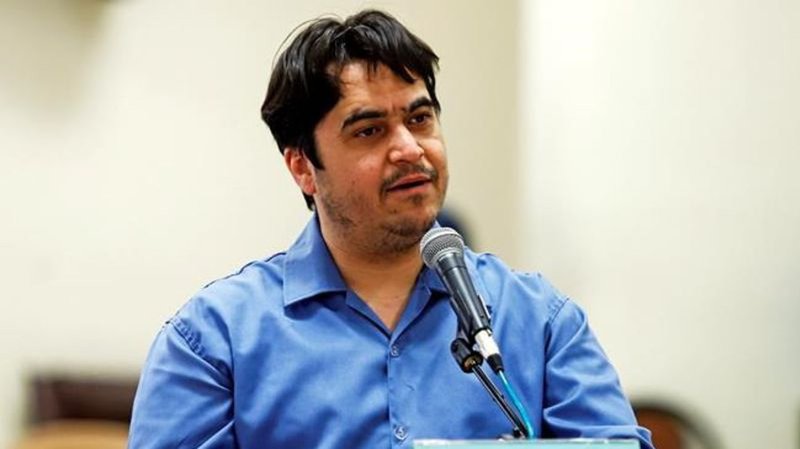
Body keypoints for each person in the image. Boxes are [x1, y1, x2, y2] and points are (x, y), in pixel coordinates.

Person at [129, 9, 654, 449]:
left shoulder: (540, 322)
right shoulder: (213, 341)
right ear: (303, 167)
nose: (408, 148)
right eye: (370, 130)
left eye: (420, 120)